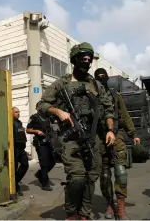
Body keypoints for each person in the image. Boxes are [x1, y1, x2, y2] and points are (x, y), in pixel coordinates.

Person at [36, 42, 116, 220]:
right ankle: (71, 212)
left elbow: (108, 108)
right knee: (77, 177)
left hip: (93, 137)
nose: (86, 62)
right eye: (83, 58)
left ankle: (84, 214)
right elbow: (41, 105)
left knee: (91, 177)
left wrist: (110, 130)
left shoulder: (96, 85)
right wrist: (59, 112)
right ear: (75, 59)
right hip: (70, 137)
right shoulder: (61, 84)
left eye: (89, 59)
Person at [94, 68, 141, 220]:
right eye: (98, 77)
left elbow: (125, 116)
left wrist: (133, 134)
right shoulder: (92, 96)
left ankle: (120, 207)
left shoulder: (115, 95)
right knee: (105, 175)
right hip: (99, 139)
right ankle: (109, 204)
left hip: (117, 135)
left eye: (103, 76)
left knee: (120, 172)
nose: (101, 79)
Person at [26, 112, 56, 191]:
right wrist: (37, 132)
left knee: (53, 161)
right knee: (44, 163)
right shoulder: (34, 117)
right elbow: (27, 130)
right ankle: (44, 183)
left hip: (49, 142)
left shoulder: (48, 116)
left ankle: (40, 174)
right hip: (40, 143)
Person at [12, 107, 29, 196]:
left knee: (25, 165)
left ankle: (16, 181)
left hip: (21, 148)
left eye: (19, 112)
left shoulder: (19, 122)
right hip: (15, 148)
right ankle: (15, 186)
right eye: (16, 112)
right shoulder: (10, 123)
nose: (18, 113)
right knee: (14, 168)